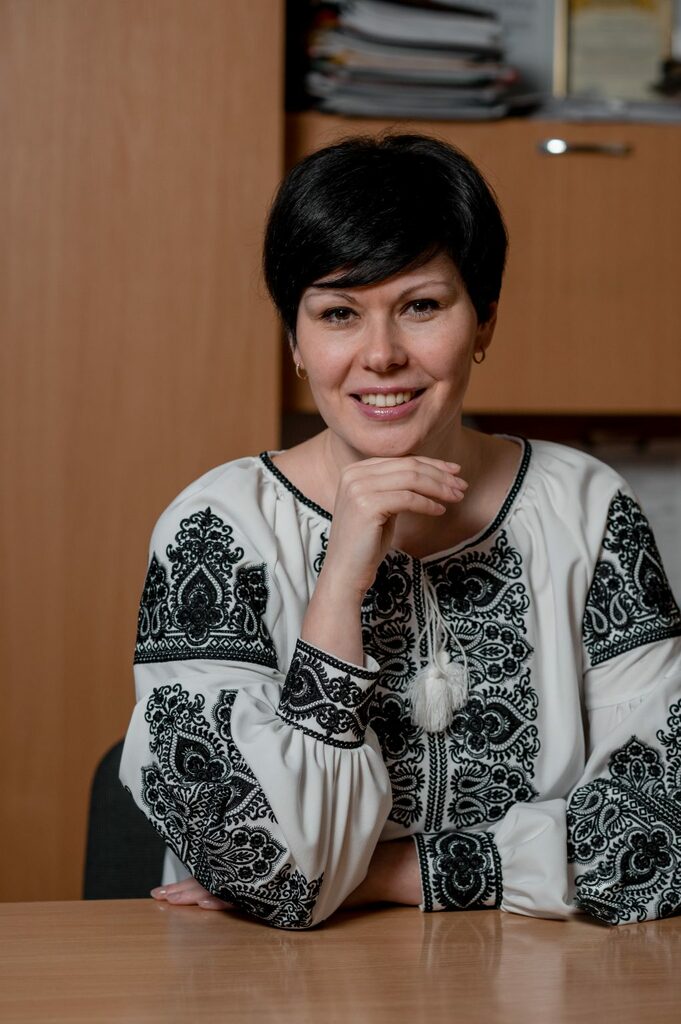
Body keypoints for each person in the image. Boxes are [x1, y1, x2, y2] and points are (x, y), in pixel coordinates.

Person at [120, 133, 681, 929]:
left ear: (483, 322)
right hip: (269, 982)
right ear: (294, 341)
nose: (380, 355)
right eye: (338, 314)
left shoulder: (588, 508)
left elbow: (660, 830)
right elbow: (266, 871)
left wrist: (379, 875)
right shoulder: (214, 529)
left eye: (420, 307)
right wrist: (339, 585)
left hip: (538, 976)